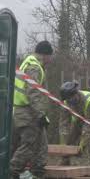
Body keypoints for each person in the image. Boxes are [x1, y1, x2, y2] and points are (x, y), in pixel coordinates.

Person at [10, 41, 53, 179]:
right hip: (28, 112)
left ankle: (36, 172)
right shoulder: (34, 67)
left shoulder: (27, 63)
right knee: (29, 144)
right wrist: (40, 114)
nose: (50, 60)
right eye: (50, 56)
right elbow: (33, 92)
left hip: (23, 110)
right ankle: (11, 171)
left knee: (40, 142)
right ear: (45, 55)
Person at [59, 81, 90, 166]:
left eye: (71, 99)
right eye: (67, 100)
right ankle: (64, 163)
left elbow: (88, 128)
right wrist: (64, 144)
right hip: (79, 120)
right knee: (69, 140)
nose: (69, 102)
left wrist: (82, 144)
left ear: (76, 94)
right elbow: (64, 125)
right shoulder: (66, 102)